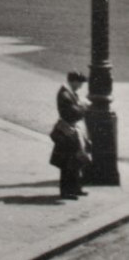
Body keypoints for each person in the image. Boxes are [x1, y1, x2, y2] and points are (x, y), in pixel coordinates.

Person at [52, 69, 91, 200]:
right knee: (68, 162)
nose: (80, 86)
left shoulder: (68, 93)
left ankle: (75, 188)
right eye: (79, 83)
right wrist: (83, 108)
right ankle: (67, 191)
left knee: (75, 160)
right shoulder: (65, 95)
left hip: (71, 129)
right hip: (68, 131)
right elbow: (71, 113)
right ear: (73, 81)